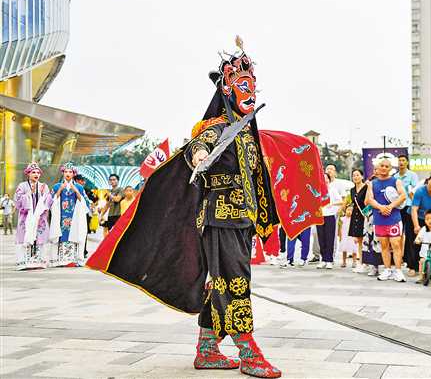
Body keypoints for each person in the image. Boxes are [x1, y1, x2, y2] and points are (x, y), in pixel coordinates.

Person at [85, 40, 335, 378]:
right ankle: (248, 352)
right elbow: (197, 147)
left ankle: (207, 349)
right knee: (235, 281)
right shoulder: (217, 128)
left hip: (242, 219)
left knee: (220, 282)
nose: (249, 91)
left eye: (252, 85)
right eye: (242, 85)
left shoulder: (248, 133)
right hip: (220, 217)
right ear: (228, 90)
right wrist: (200, 156)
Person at [365, 158, 407, 282]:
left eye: (386, 166)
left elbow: (403, 195)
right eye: (381, 166)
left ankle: (398, 271)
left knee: (396, 244)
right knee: (384, 246)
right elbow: (369, 200)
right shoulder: (372, 183)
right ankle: (387, 269)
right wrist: (381, 207)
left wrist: (390, 207)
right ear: (377, 168)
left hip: (394, 218)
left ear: (390, 168)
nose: (384, 168)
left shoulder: (396, 181)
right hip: (379, 219)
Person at [50, 163, 91, 268]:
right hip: (61, 217)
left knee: (75, 234)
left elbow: (86, 203)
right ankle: (59, 260)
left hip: (75, 217)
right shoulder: (56, 186)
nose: (68, 174)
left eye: (70, 172)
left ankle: (74, 260)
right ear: (63, 173)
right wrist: (60, 189)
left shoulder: (79, 187)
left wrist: (75, 190)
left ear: (74, 174)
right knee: (61, 235)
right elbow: (50, 201)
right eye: (66, 172)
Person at [14, 163, 51, 270]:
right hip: (26, 218)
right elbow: (18, 200)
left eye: (38, 172)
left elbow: (48, 200)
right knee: (23, 236)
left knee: (40, 237)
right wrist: (30, 193)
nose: (36, 174)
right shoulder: (22, 186)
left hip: (40, 218)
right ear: (28, 174)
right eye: (33, 172)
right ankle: (23, 262)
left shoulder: (44, 186)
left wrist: (44, 195)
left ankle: (39, 261)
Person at [394, 155, 420, 276]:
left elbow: (413, 192)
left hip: (408, 208)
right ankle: (397, 262)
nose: (401, 162)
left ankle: (412, 265)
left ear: (407, 162)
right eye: (399, 160)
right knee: (396, 236)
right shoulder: (394, 176)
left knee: (410, 237)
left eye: (403, 160)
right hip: (397, 208)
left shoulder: (412, 175)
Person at [316, 173, 342, 269]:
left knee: (330, 238)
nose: (324, 179)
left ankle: (329, 260)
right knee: (321, 238)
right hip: (320, 216)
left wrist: (332, 204)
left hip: (330, 216)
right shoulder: (317, 190)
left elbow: (341, 201)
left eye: (326, 178)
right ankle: (323, 260)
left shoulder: (333, 190)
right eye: (322, 177)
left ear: (329, 179)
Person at [348, 169, 368, 273]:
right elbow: (353, 203)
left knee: (366, 240)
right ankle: (361, 263)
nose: (355, 177)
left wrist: (368, 215)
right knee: (359, 241)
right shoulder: (352, 190)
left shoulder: (367, 187)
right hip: (355, 217)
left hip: (365, 217)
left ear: (362, 176)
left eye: (357, 175)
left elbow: (368, 202)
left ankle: (367, 263)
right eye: (354, 175)